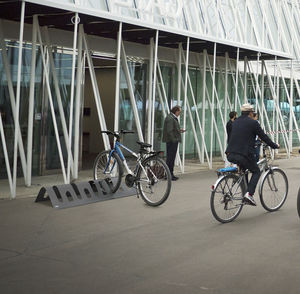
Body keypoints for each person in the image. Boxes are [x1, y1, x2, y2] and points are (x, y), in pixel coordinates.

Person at [226, 103, 279, 206]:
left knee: (244, 170)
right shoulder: (253, 123)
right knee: (256, 171)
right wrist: (274, 146)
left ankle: (244, 192)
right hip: (244, 154)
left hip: (230, 153)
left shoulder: (235, 122)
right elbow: (263, 137)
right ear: (250, 113)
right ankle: (249, 194)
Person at [162, 105, 185, 181]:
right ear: (176, 111)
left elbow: (172, 129)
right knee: (170, 158)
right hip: (171, 141)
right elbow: (169, 131)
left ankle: (169, 174)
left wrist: (179, 130)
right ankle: (169, 175)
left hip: (172, 140)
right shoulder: (170, 118)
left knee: (171, 158)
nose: (180, 113)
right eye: (179, 112)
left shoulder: (171, 117)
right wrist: (174, 139)